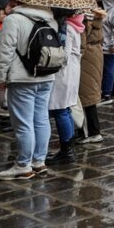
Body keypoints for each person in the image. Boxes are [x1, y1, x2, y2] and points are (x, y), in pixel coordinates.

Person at [0, 0, 57, 179]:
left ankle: (23, 165)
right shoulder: (50, 19)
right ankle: (39, 161)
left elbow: (4, 51)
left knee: (23, 124)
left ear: (17, 0)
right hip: (46, 76)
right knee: (41, 119)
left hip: (22, 78)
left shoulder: (13, 20)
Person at [45, 12, 83, 165]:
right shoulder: (73, 26)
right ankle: (68, 148)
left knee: (61, 110)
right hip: (70, 74)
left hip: (64, 75)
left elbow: (64, 56)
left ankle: (66, 150)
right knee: (65, 110)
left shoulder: (67, 28)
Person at [77, 7, 105, 143]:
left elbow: (81, 46)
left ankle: (89, 133)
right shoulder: (98, 23)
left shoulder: (85, 24)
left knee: (85, 98)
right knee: (90, 96)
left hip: (86, 60)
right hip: (95, 56)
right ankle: (93, 131)